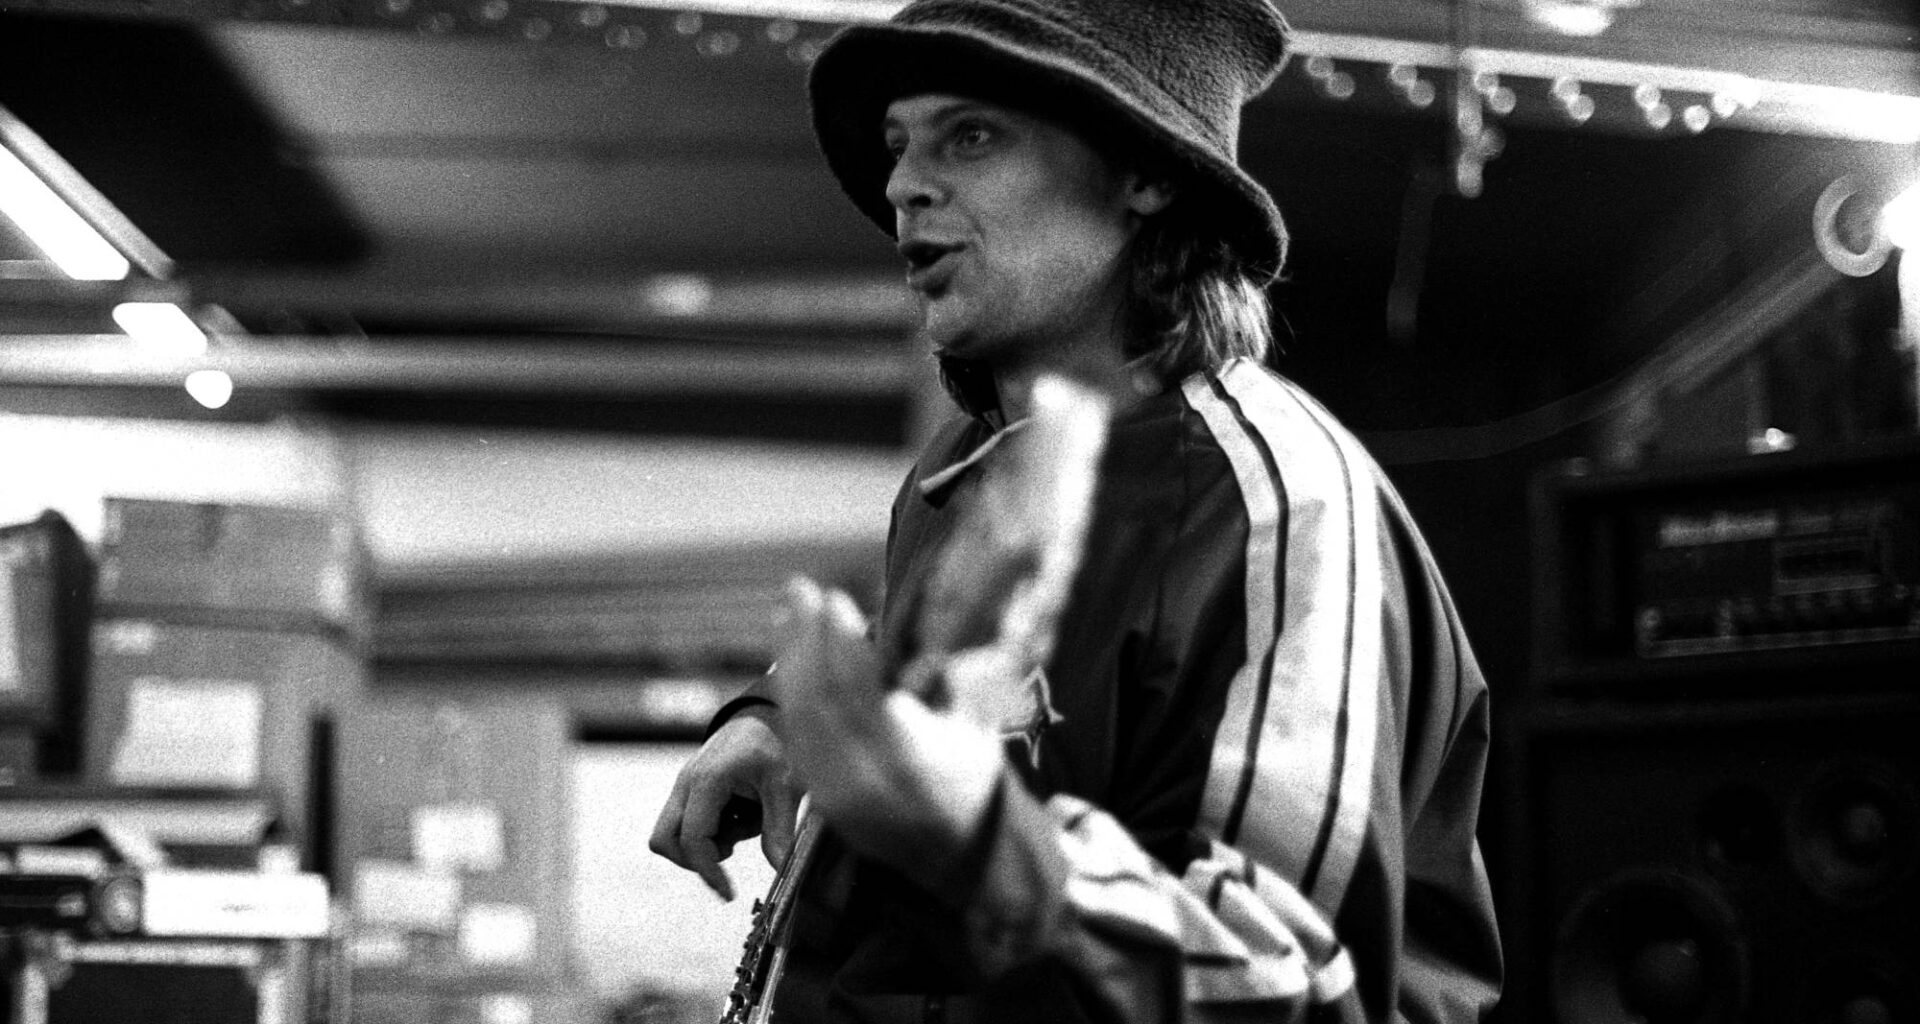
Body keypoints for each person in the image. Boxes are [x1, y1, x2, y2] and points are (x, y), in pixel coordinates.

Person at [650, 0, 1503, 1020]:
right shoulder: (966, 473)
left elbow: (1281, 978)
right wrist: (783, 720)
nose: (904, 184)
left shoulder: (1275, 504)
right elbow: (960, 696)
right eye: (898, 144)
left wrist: (991, 848)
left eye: (971, 135)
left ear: (1147, 175)